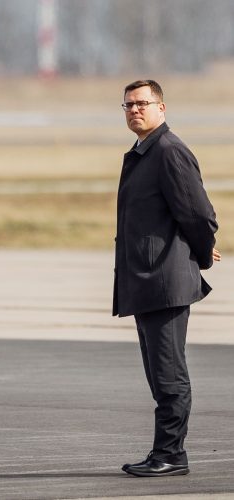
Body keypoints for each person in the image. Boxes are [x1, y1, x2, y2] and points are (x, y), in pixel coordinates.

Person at [113, 80, 220, 477]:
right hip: (147, 281)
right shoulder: (145, 152)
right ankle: (164, 451)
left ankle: (172, 454)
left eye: (142, 103)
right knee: (159, 374)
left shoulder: (169, 152)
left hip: (164, 281)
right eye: (127, 105)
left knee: (169, 373)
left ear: (161, 107)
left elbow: (199, 214)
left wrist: (198, 251)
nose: (134, 110)